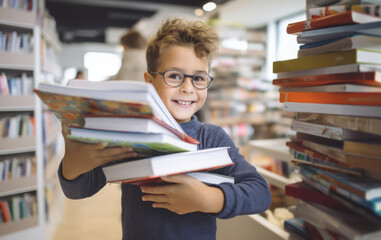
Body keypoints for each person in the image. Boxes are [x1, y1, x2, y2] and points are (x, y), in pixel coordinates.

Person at [58, 18, 272, 240]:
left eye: (198, 78)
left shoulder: (212, 137)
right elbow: (78, 190)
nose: (188, 88)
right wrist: (73, 161)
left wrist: (208, 198)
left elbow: (260, 193)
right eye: (174, 76)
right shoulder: (130, 135)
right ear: (149, 82)